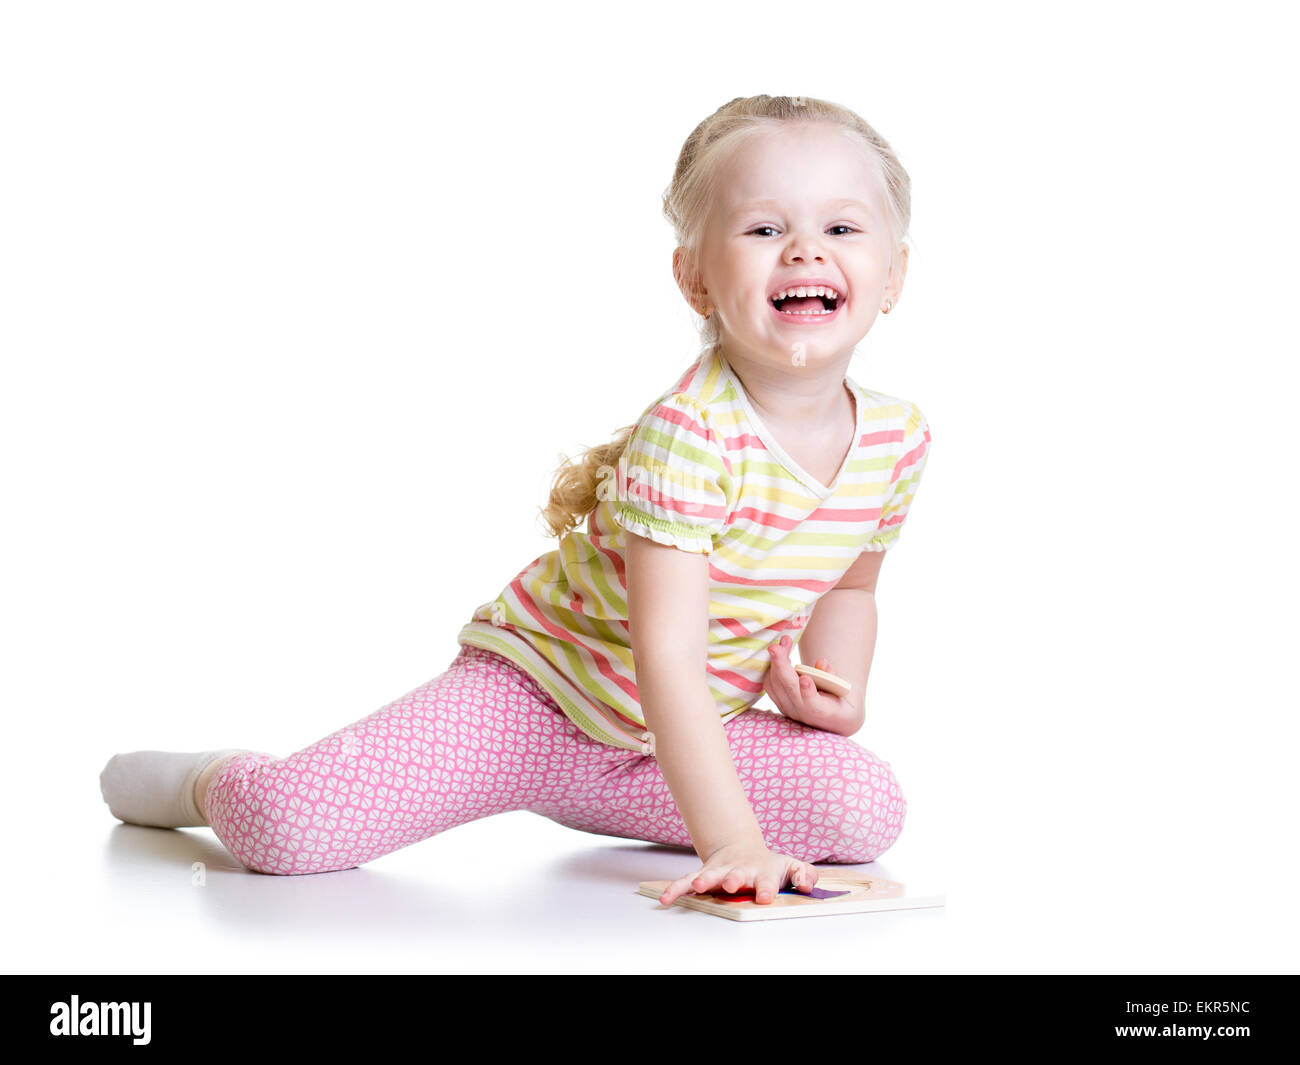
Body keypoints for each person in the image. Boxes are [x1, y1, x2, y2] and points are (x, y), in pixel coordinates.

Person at [99, 94, 932, 908]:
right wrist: (732, 843)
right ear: (695, 277)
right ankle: (203, 777)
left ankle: (630, 804)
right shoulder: (691, 436)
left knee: (864, 807)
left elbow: (853, 587)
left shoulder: (897, 439)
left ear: (892, 273)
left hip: (657, 750)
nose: (804, 253)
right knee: (288, 828)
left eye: (842, 228)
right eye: (764, 229)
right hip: (532, 707)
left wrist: (840, 685)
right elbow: (667, 655)